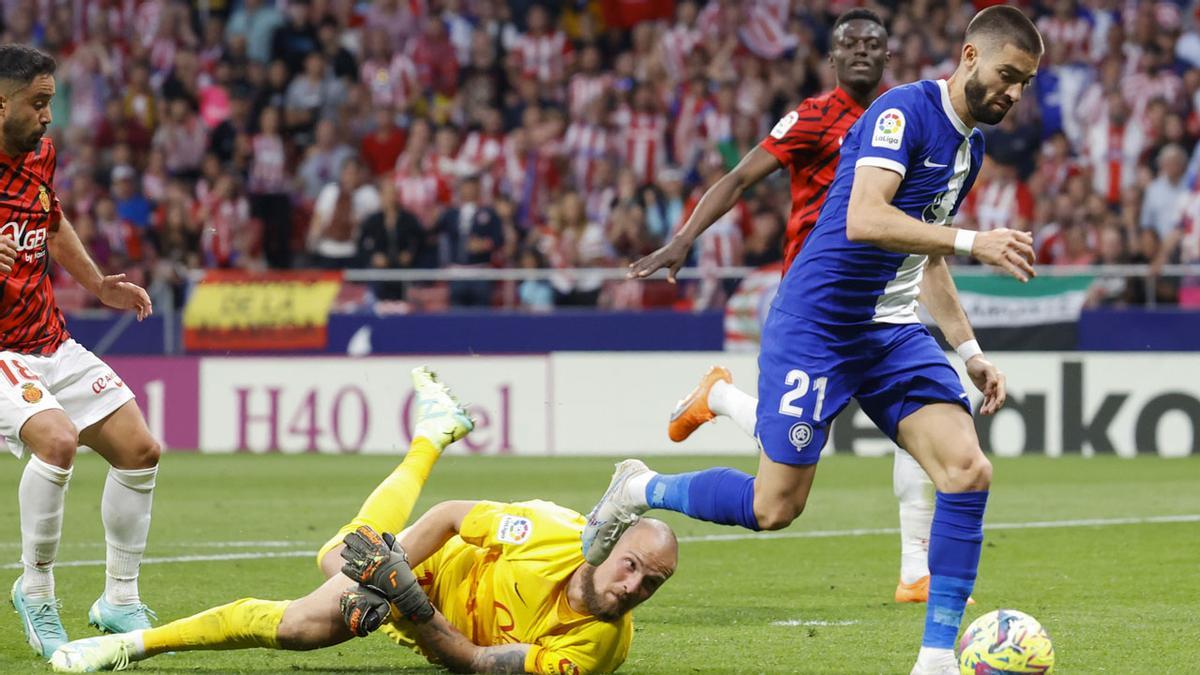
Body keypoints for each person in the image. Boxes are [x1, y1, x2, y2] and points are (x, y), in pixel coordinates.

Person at [588, 7, 1043, 674]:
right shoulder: (903, 113)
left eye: (1026, 84)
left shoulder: (969, 148)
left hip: (888, 331)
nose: (1014, 93)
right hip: (819, 324)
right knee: (774, 508)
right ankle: (641, 487)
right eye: (1008, 75)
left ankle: (937, 658)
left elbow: (928, 258)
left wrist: (970, 352)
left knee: (966, 469)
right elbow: (865, 218)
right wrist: (977, 240)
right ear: (970, 57)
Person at [52, 368, 678, 675]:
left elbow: (479, 667)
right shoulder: (547, 532)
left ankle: (433, 432)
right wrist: (394, 569)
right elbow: (451, 515)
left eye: (650, 585)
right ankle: (126, 646)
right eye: (632, 567)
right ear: (613, 544)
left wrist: (405, 602)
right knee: (301, 619)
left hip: (431, 617)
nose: (632, 589)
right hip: (427, 571)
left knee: (336, 555)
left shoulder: (595, 651)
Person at [629, 9, 940, 603]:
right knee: (786, 478)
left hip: (885, 297)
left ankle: (914, 572)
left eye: (873, 43)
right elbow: (741, 177)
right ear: (831, 57)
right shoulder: (814, 118)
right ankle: (716, 400)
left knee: (926, 431)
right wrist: (684, 237)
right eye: (848, 43)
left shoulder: (906, 119)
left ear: (888, 56)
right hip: (817, 304)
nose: (860, 52)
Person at [0, 45, 161, 658]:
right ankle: (35, 590)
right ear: (2, 102)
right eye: (38, 103)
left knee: (140, 450)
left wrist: (96, 283)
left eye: (51, 102)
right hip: (0, 350)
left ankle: (118, 599)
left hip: (47, 337)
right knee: (59, 441)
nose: (48, 116)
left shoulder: (39, 154)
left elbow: (49, 217)